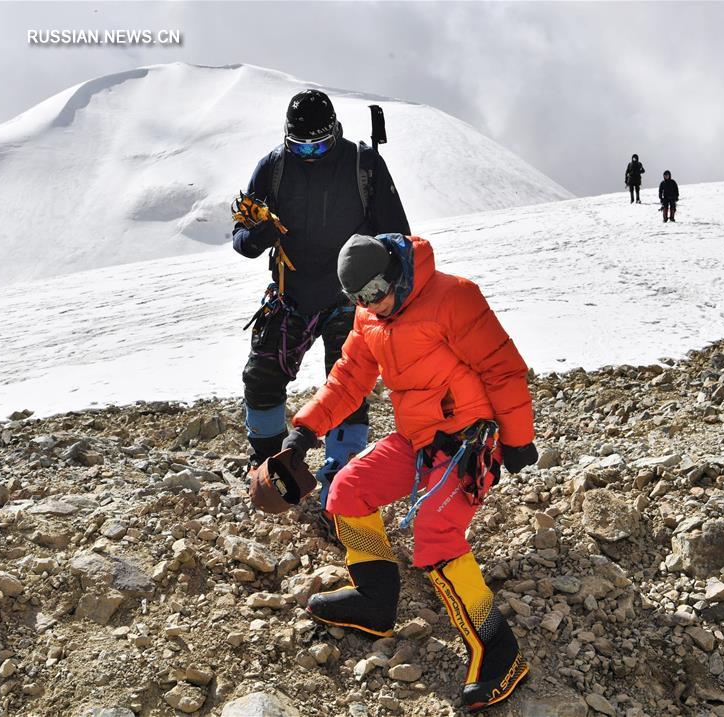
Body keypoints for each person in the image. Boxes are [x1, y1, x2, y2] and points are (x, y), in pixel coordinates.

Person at [258, 233, 538, 712]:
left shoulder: (454, 297)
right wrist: (303, 432)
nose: (373, 304)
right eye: (359, 299)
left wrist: (517, 439)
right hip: (418, 440)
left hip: (473, 442)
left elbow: (503, 369)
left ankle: (499, 649)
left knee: (435, 532)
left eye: (376, 292)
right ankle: (374, 599)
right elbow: (347, 380)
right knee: (346, 489)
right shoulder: (369, 318)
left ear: (396, 271)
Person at [232, 90, 410, 511]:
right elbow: (241, 239)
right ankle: (268, 467)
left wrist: (387, 282)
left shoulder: (363, 166)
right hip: (291, 295)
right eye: (301, 146)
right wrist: (260, 236)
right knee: (261, 379)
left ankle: (343, 478)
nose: (310, 154)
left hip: (350, 299)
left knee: (347, 388)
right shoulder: (273, 168)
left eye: (319, 145)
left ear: (335, 132)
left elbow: (398, 233)